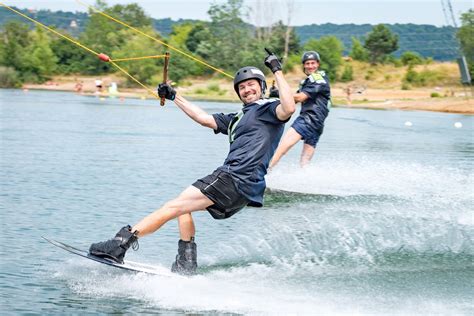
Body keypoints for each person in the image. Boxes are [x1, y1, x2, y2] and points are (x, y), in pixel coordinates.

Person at [88, 50, 295, 275]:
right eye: (242, 87)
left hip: (234, 178)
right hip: (242, 187)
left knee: (171, 207)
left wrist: (277, 70)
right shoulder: (238, 118)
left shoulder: (269, 110)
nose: (247, 90)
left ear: (262, 87)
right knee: (181, 206)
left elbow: (289, 107)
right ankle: (186, 262)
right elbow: (203, 118)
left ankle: (119, 245)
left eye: (252, 85)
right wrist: (174, 96)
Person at [269, 51, 331, 168]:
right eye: (307, 63)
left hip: (308, 120)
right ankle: (305, 179)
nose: (310, 66)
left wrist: (278, 93)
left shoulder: (318, 79)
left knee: (281, 148)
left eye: (313, 63)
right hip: (318, 125)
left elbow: (301, 97)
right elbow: (294, 100)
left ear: (318, 64)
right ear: (304, 65)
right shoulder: (309, 81)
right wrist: (278, 94)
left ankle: (263, 173)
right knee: (305, 161)